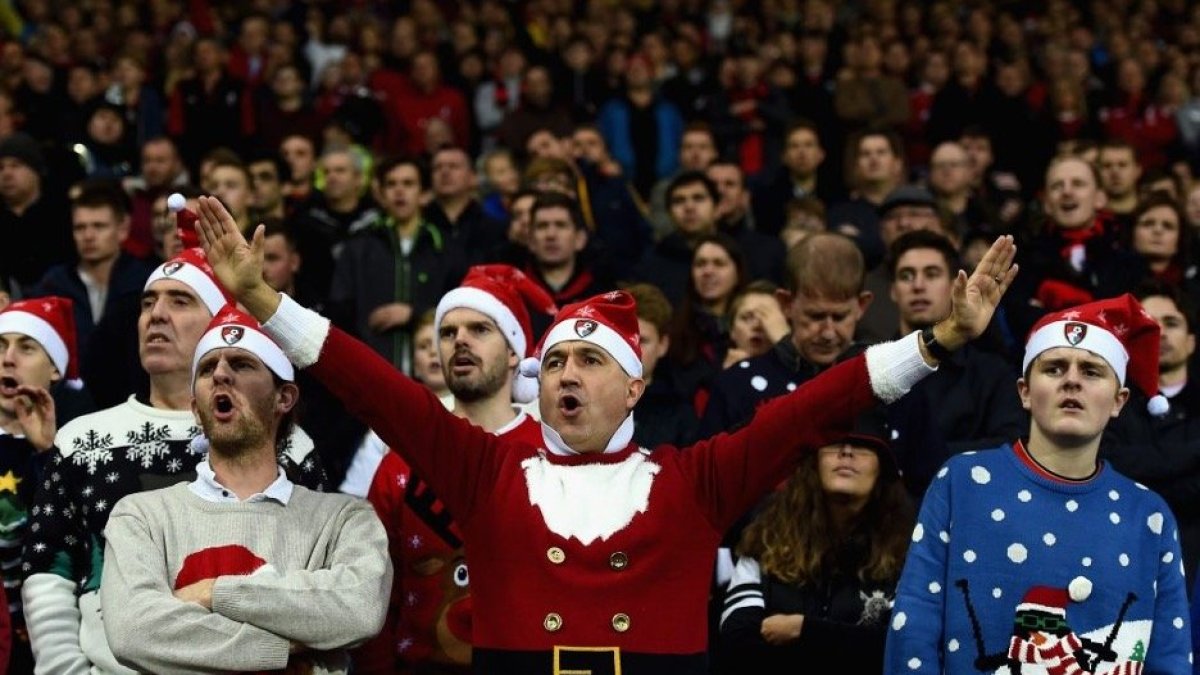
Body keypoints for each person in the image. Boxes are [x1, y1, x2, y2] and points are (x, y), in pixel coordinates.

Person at [194, 194, 1017, 674]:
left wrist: (938, 341)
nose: (567, 375)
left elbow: (815, 406)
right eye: (555, 362)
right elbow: (375, 386)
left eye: (590, 360)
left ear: (635, 383)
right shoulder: (485, 469)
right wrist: (264, 301)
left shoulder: (696, 479)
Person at [21, 230, 326, 675]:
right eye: (148, 303)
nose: (156, 315)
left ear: (219, 323)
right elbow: (51, 568)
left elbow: (316, 579)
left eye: (180, 301)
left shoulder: (288, 446)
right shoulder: (80, 440)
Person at [885, 294, 1192, 673]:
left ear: (1119, 400)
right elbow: (915, 625)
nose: (1072, 381)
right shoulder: (962, 482)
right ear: (1024, 392)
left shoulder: (1150, 516)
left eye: (1092, 371)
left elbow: (1170, 658)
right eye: (1054, 368)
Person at [99, 307, 391, 673]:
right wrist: (292, 644)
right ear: (195, 407)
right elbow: (134, 631)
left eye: (242, 364)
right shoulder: (141, 516)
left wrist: (213, 593)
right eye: (207, 369)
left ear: (284, 398)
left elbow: (359, 611)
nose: (221, 374)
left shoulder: (344, 519)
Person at [352, 265, 556, 673]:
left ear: (515, 351)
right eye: (447, 333)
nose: (459, 340)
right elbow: (375, 590)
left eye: (480, 329)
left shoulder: (553, 455)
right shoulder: (403, 459)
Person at [719, 406, 914, 673]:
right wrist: (845, 643)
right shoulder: (766, 538)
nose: (846, 452)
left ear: (882, 469)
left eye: (862, 446)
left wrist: (804, 630)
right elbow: (736, 639)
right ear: (813, 461)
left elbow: (902, 647)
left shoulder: (908, 551)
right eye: (835, 443)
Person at [0, 296, 87, 673]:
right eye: (0, 345)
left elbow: (77, 549)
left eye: (27, 347)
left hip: (48, 641)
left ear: (54, 369)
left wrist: (46, 454)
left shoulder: (77, 449)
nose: (8, 358)